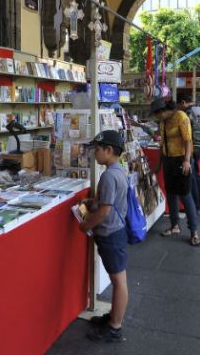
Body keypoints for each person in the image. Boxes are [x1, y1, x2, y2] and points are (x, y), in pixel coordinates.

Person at [78, 130, 128, 343]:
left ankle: (115, 326)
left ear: (109, 150)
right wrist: (95, 203)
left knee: (118, 280)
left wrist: (86, 224)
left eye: (97, 150)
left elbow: (105, 211)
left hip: (110, 233)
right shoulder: (118, 170)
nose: (94, 154)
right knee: (118, 279)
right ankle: (113, 317)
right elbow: (109, 203)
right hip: (116, 231)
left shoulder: (108, 175)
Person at [150, 97, 200, 246]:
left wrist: (186, 160)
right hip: (168, 160)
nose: (156, 117)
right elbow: (162, 143)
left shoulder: (181, 117)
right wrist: (160, 164)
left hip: (181, 160)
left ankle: (194, 231)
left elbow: (188, 140)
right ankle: (174, 226)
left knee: (185, 195)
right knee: (171, 193)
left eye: (157, 114)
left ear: (164, 111)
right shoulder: (163, 121)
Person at [177, 94, 200, 213]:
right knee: (196, 174)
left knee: (192, 177)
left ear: (183, 102)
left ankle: (195, 205)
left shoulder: (188, 113)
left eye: (180, 105)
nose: (179, 108)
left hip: (192, 145)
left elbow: (186, 133)